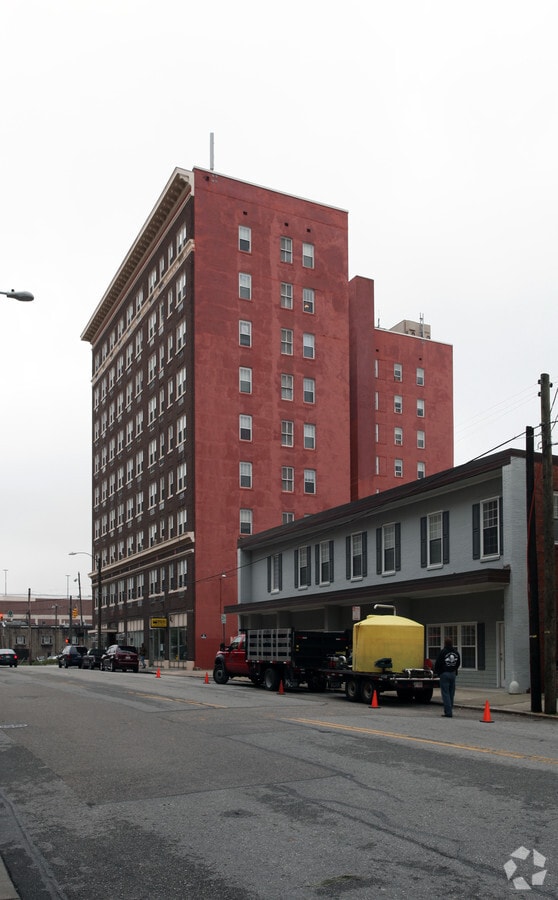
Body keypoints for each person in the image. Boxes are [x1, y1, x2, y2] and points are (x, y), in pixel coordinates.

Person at [434, 637, 461, 717]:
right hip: (453, 674)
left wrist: (439, 672)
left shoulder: (443, 652)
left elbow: (438, 663)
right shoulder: (456, 652)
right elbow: (458, 663)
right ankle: (450, 710)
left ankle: (448, 712)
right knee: (451, 693)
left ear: (445, 643)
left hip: (444, 674)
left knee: (445, 694)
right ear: (452, 643)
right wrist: (454, 669)